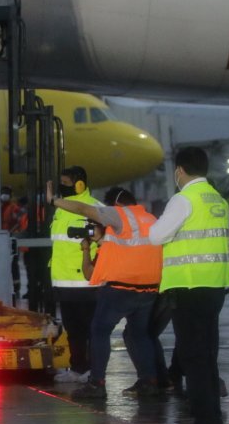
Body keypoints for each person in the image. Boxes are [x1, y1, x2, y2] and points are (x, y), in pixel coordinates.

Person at [148, 147, 229, 424]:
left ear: (179, 170)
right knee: (207, 357)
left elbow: (156, 236)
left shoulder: (184, 199)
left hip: (188, 287)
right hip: (214, 286)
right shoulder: (217, 199)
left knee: (193, 358)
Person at [48, 186, 162, 399]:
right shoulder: (149, 218)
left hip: (121, 288)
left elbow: (84, 209)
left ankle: (97, 383)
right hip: (148, 288)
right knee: (140, 334)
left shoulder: (120, 213)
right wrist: (101, 241)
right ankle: (149, 381)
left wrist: (54, 201)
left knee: (99, 331)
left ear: (115, 205)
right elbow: (131, 248)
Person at [49, 166, 102, 383]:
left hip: (86, 281)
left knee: (90, 330)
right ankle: (78, 368)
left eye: (67, 184)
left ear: (80, 184)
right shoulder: (61, 209)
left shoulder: (96, 208)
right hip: (64, 282)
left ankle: (92, 370)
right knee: (73, 330)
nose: (63, 188)